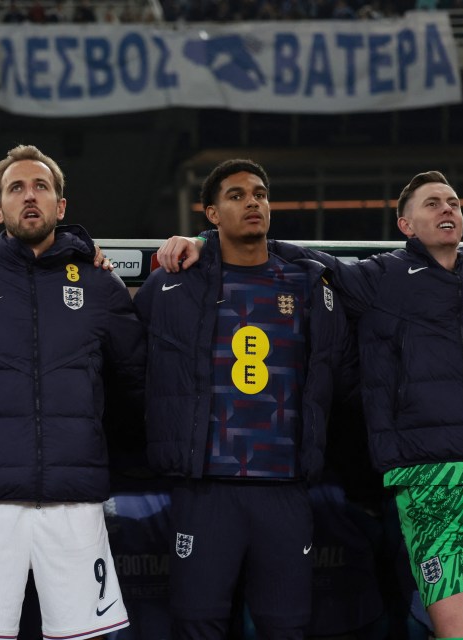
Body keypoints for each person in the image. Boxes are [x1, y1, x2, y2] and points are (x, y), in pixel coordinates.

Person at [158, 170, 463, 640]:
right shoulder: (381, 277)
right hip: (430, 477)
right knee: (461, 635)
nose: (447, 209)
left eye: (453, 202)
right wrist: (206, 240)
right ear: (406, 226)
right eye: (432, 203)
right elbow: (294, 254)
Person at [0, 144, 145, 640]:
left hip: (75, 500)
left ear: (60, 207)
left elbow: (139, 382)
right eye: (16, 188)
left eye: (41, 186)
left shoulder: (100, 286)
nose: (30, 196)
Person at [133, 158, 347, 640]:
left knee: (287, 626)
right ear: (210, 213)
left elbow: (341, 370)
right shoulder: (172, 285)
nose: (254, 202)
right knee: (197, 623)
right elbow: (132, 369)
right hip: (207, 489)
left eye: (261, 194)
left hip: (285, 486)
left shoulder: (310, 283)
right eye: (237, 195)